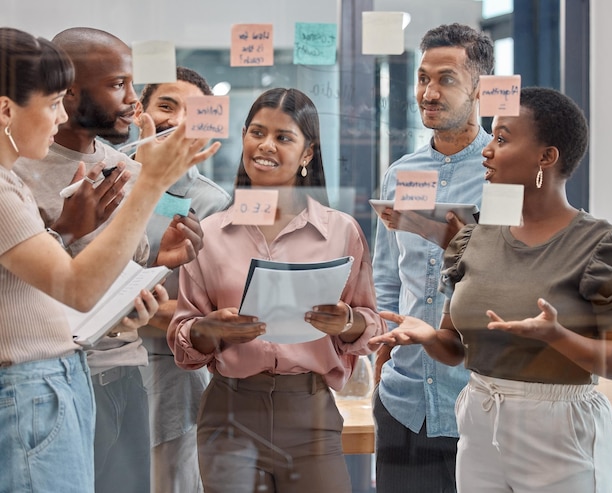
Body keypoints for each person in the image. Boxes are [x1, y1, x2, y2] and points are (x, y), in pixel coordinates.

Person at [369, 86, 612, 493]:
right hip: (479, 423)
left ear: (547, 157)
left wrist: (558, 337)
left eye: (502, 140)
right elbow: (455, 349)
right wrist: (429, 337)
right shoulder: (474, 239)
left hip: (559, 432)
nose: (488, 150)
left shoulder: (601, 245)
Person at [0, 27, 216, 493]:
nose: (134, 101)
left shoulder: (122, 169)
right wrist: (148, 188)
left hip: (103, 370)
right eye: (52, 101)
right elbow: (71, 287)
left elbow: (104, 277)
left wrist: (156, 260)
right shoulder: (11, 177)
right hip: (35, 380)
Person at [168, 87, 386, 493]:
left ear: (307, 153)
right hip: (229, 413)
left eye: (283, 137)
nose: (265, 146)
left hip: (311, 413)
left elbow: (371, 326)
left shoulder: (340, 231)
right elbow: (184, 336)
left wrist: (348, 322)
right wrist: (209, 330)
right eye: (256, 132)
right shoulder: (211, 232)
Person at [371, 23, 494, 492]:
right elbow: (386, 275)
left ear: (479, 88)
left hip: (477, 404)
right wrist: (383, 350)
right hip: (403, 403)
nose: (428, 91)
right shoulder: (401, 174)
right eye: (423, 78)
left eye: (446, 79)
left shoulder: (501, 175)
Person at [135, 67, 231, 493]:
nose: (174, 121)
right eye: (166, 106)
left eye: (191, 113)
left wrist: (128, 308)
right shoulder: (106, 180)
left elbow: (207, 317)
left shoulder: (210, 202)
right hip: (96, 372)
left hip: (171, 383)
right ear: (142, 111)